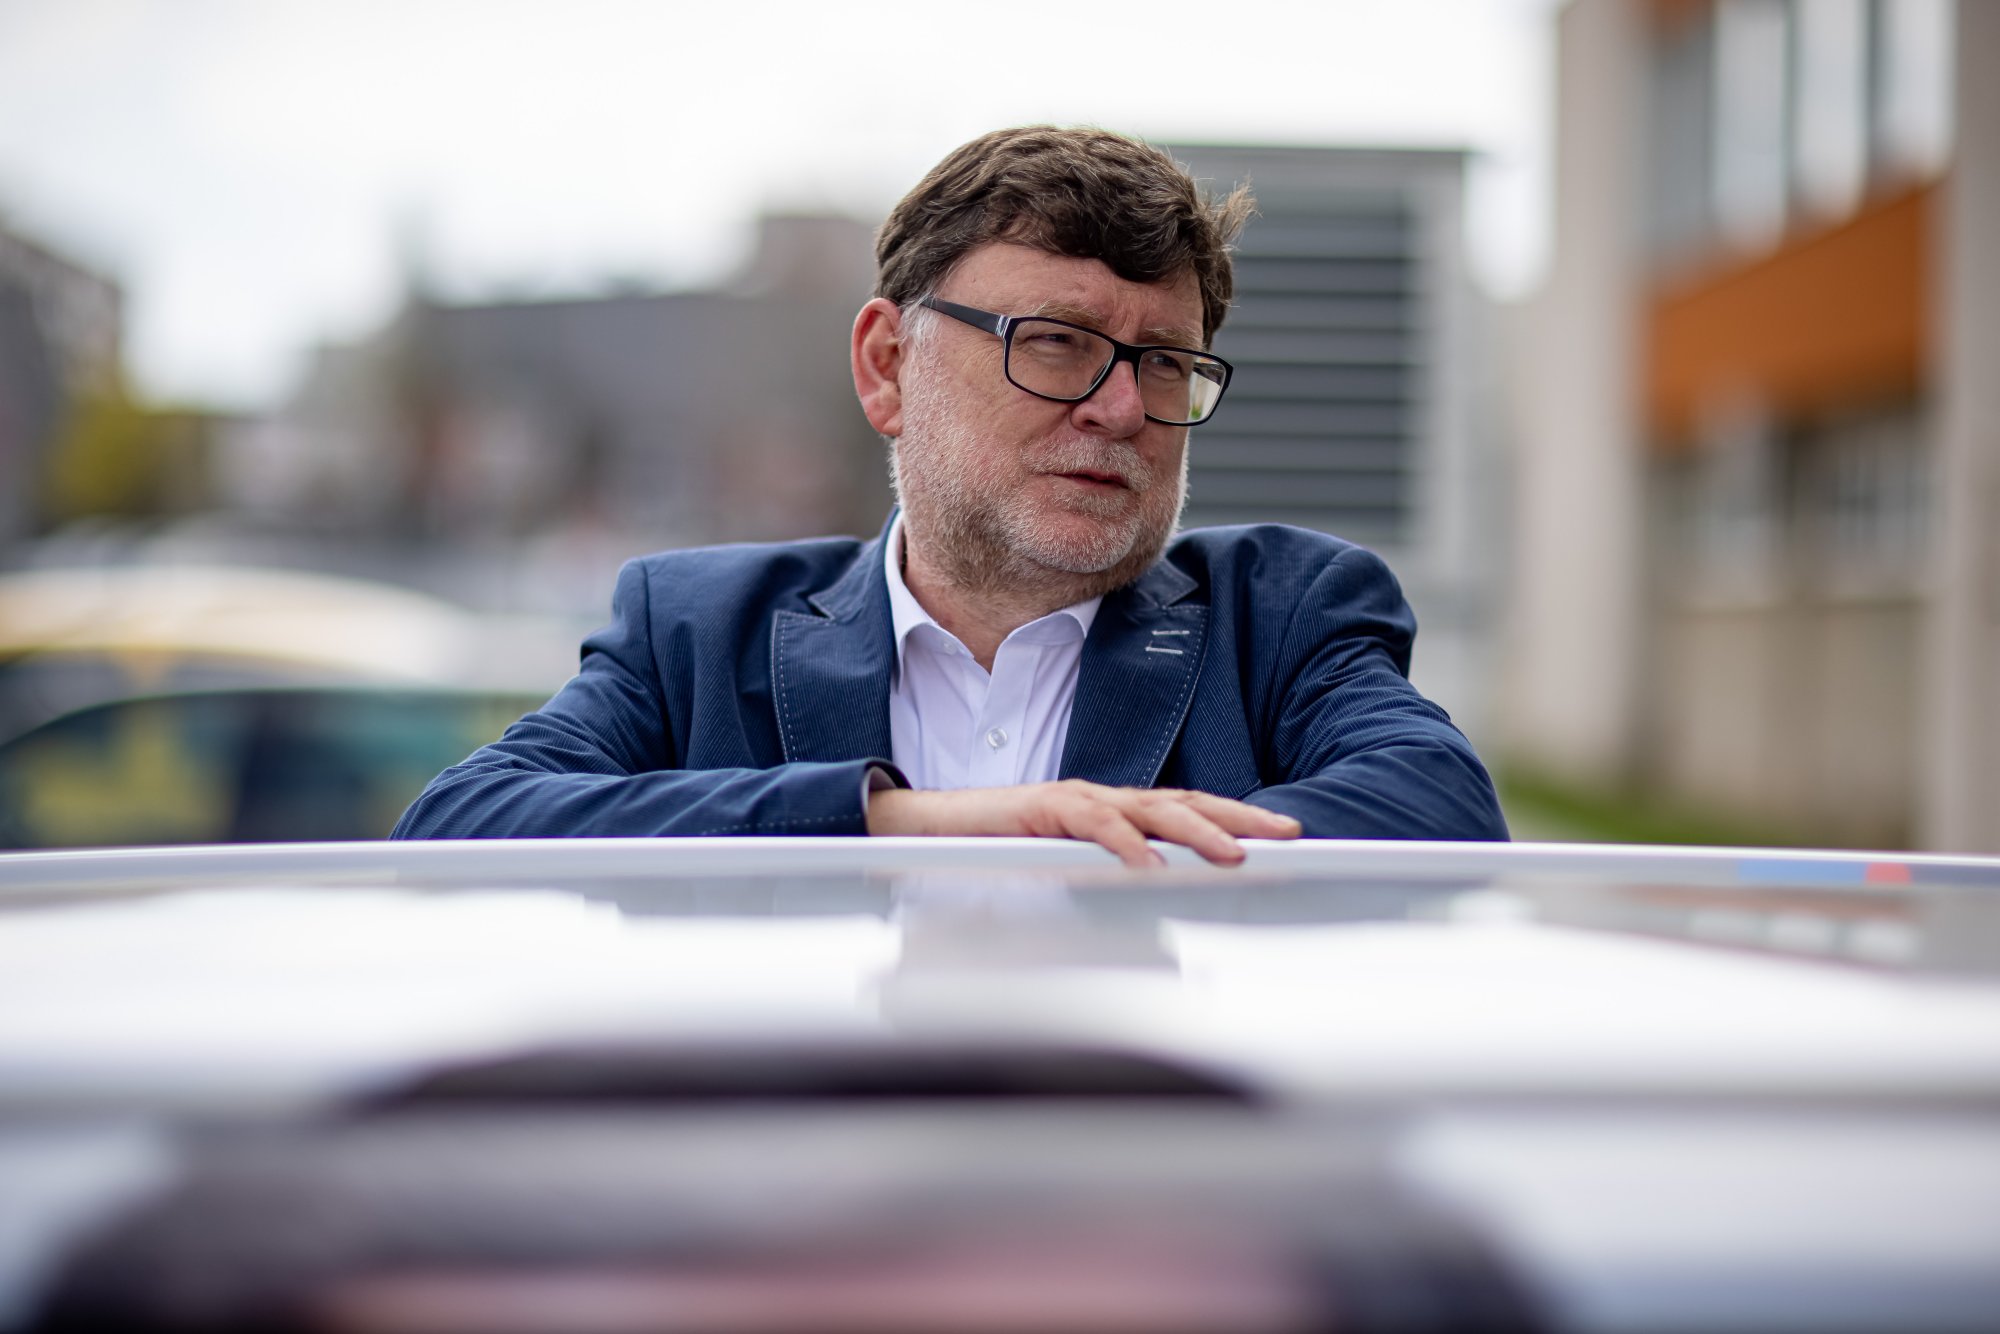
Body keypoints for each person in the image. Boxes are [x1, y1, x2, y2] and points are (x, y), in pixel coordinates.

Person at [392, 126, 1509, 865]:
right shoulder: (695, 632)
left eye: (1165, 362)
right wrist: (902, 821)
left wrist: (1091, 858)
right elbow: (459, 825)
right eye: (1057, 342)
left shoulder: (1282, 617)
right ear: (887, 366)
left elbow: (1441, 810)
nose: (1122, 408)